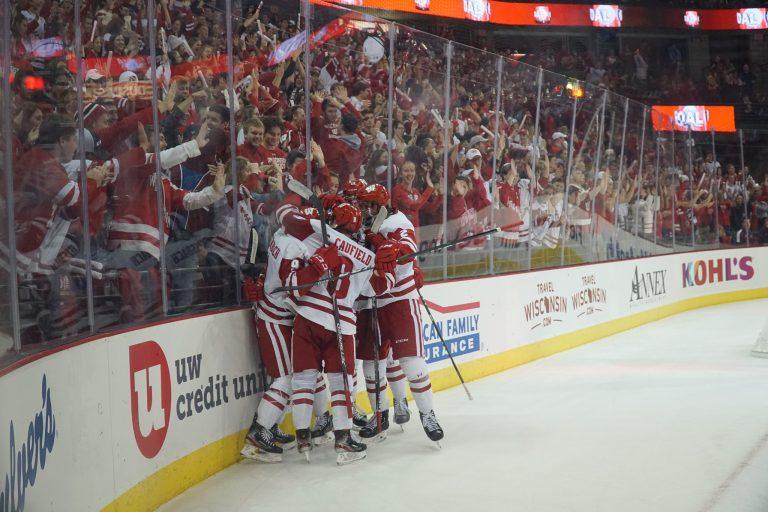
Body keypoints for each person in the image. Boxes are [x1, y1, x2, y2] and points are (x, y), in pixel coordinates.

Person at [280, 201, 397, 465]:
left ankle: (302, 437)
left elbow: (285, 219)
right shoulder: (366, 255)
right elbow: (378, 289)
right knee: (340, 383)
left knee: (303, 380)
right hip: (340, 324)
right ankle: (343, 439)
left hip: (306, 318)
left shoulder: (316, 239)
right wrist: (387, 266)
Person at [355, 184, 445, 444]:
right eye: (361, 205)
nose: (364, 210)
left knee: (412, 363)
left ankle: (428, 414)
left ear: (382, 206)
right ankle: (380, 415)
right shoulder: (359, 225)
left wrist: (387, 246)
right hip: (369, 302)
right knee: (371, 366)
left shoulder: (396, 221)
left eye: (369, 205)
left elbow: (406, 249)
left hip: (399, 301)